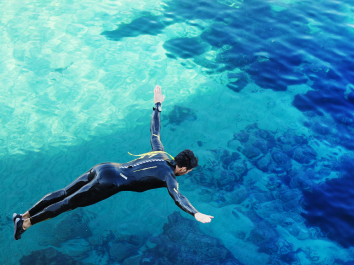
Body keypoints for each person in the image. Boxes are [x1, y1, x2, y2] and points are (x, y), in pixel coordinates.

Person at [13, 85, 214, 240]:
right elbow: (178, 198)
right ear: (182, 167)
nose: (186, 173)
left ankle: (23, 215)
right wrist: (195, 213)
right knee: (67, 204)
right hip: (109, 183)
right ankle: (24, 225)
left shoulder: (161, 153)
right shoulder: (169, 177)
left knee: (65, 192)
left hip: (105, 167)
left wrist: (157, 105)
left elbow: (155, 131)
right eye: (187, 171)